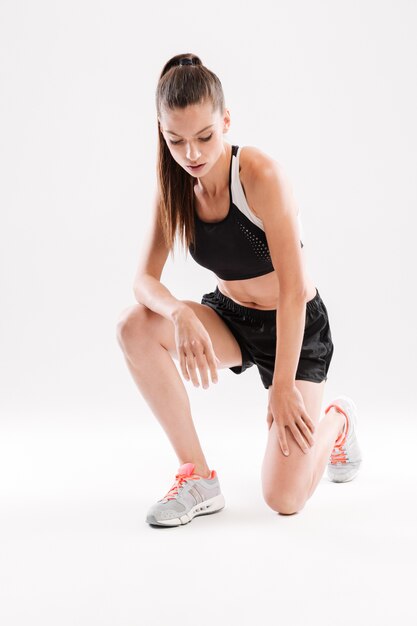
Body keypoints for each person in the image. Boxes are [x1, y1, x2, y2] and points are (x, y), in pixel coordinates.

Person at [116, 53, 363, 527]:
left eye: (205, 136)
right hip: (230, 318)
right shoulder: (173, 189)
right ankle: (198, 478)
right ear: (161, 134)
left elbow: (293, 290)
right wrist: (180, 314)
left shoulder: (259, 175)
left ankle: (338, 420)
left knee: (283, 498)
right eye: (177, 140)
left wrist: (284, 385)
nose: (192, 154)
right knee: (134, 326)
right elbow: (143, 280)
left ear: (225, 121)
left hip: (295, 327)